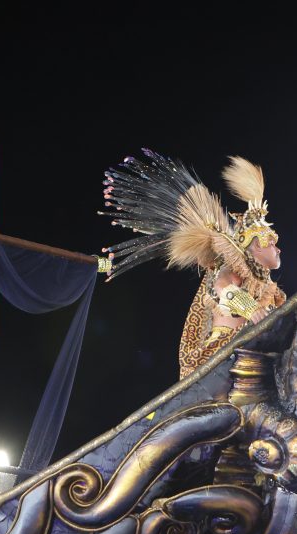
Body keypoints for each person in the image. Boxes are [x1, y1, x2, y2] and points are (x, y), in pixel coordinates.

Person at [99, 150, 286, 379]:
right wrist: (252, 309)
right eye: (272, 242)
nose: (278, 248)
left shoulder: (267, 286)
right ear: (255, 247)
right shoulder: (234, 269)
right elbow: (223, 288)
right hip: (226, 352)